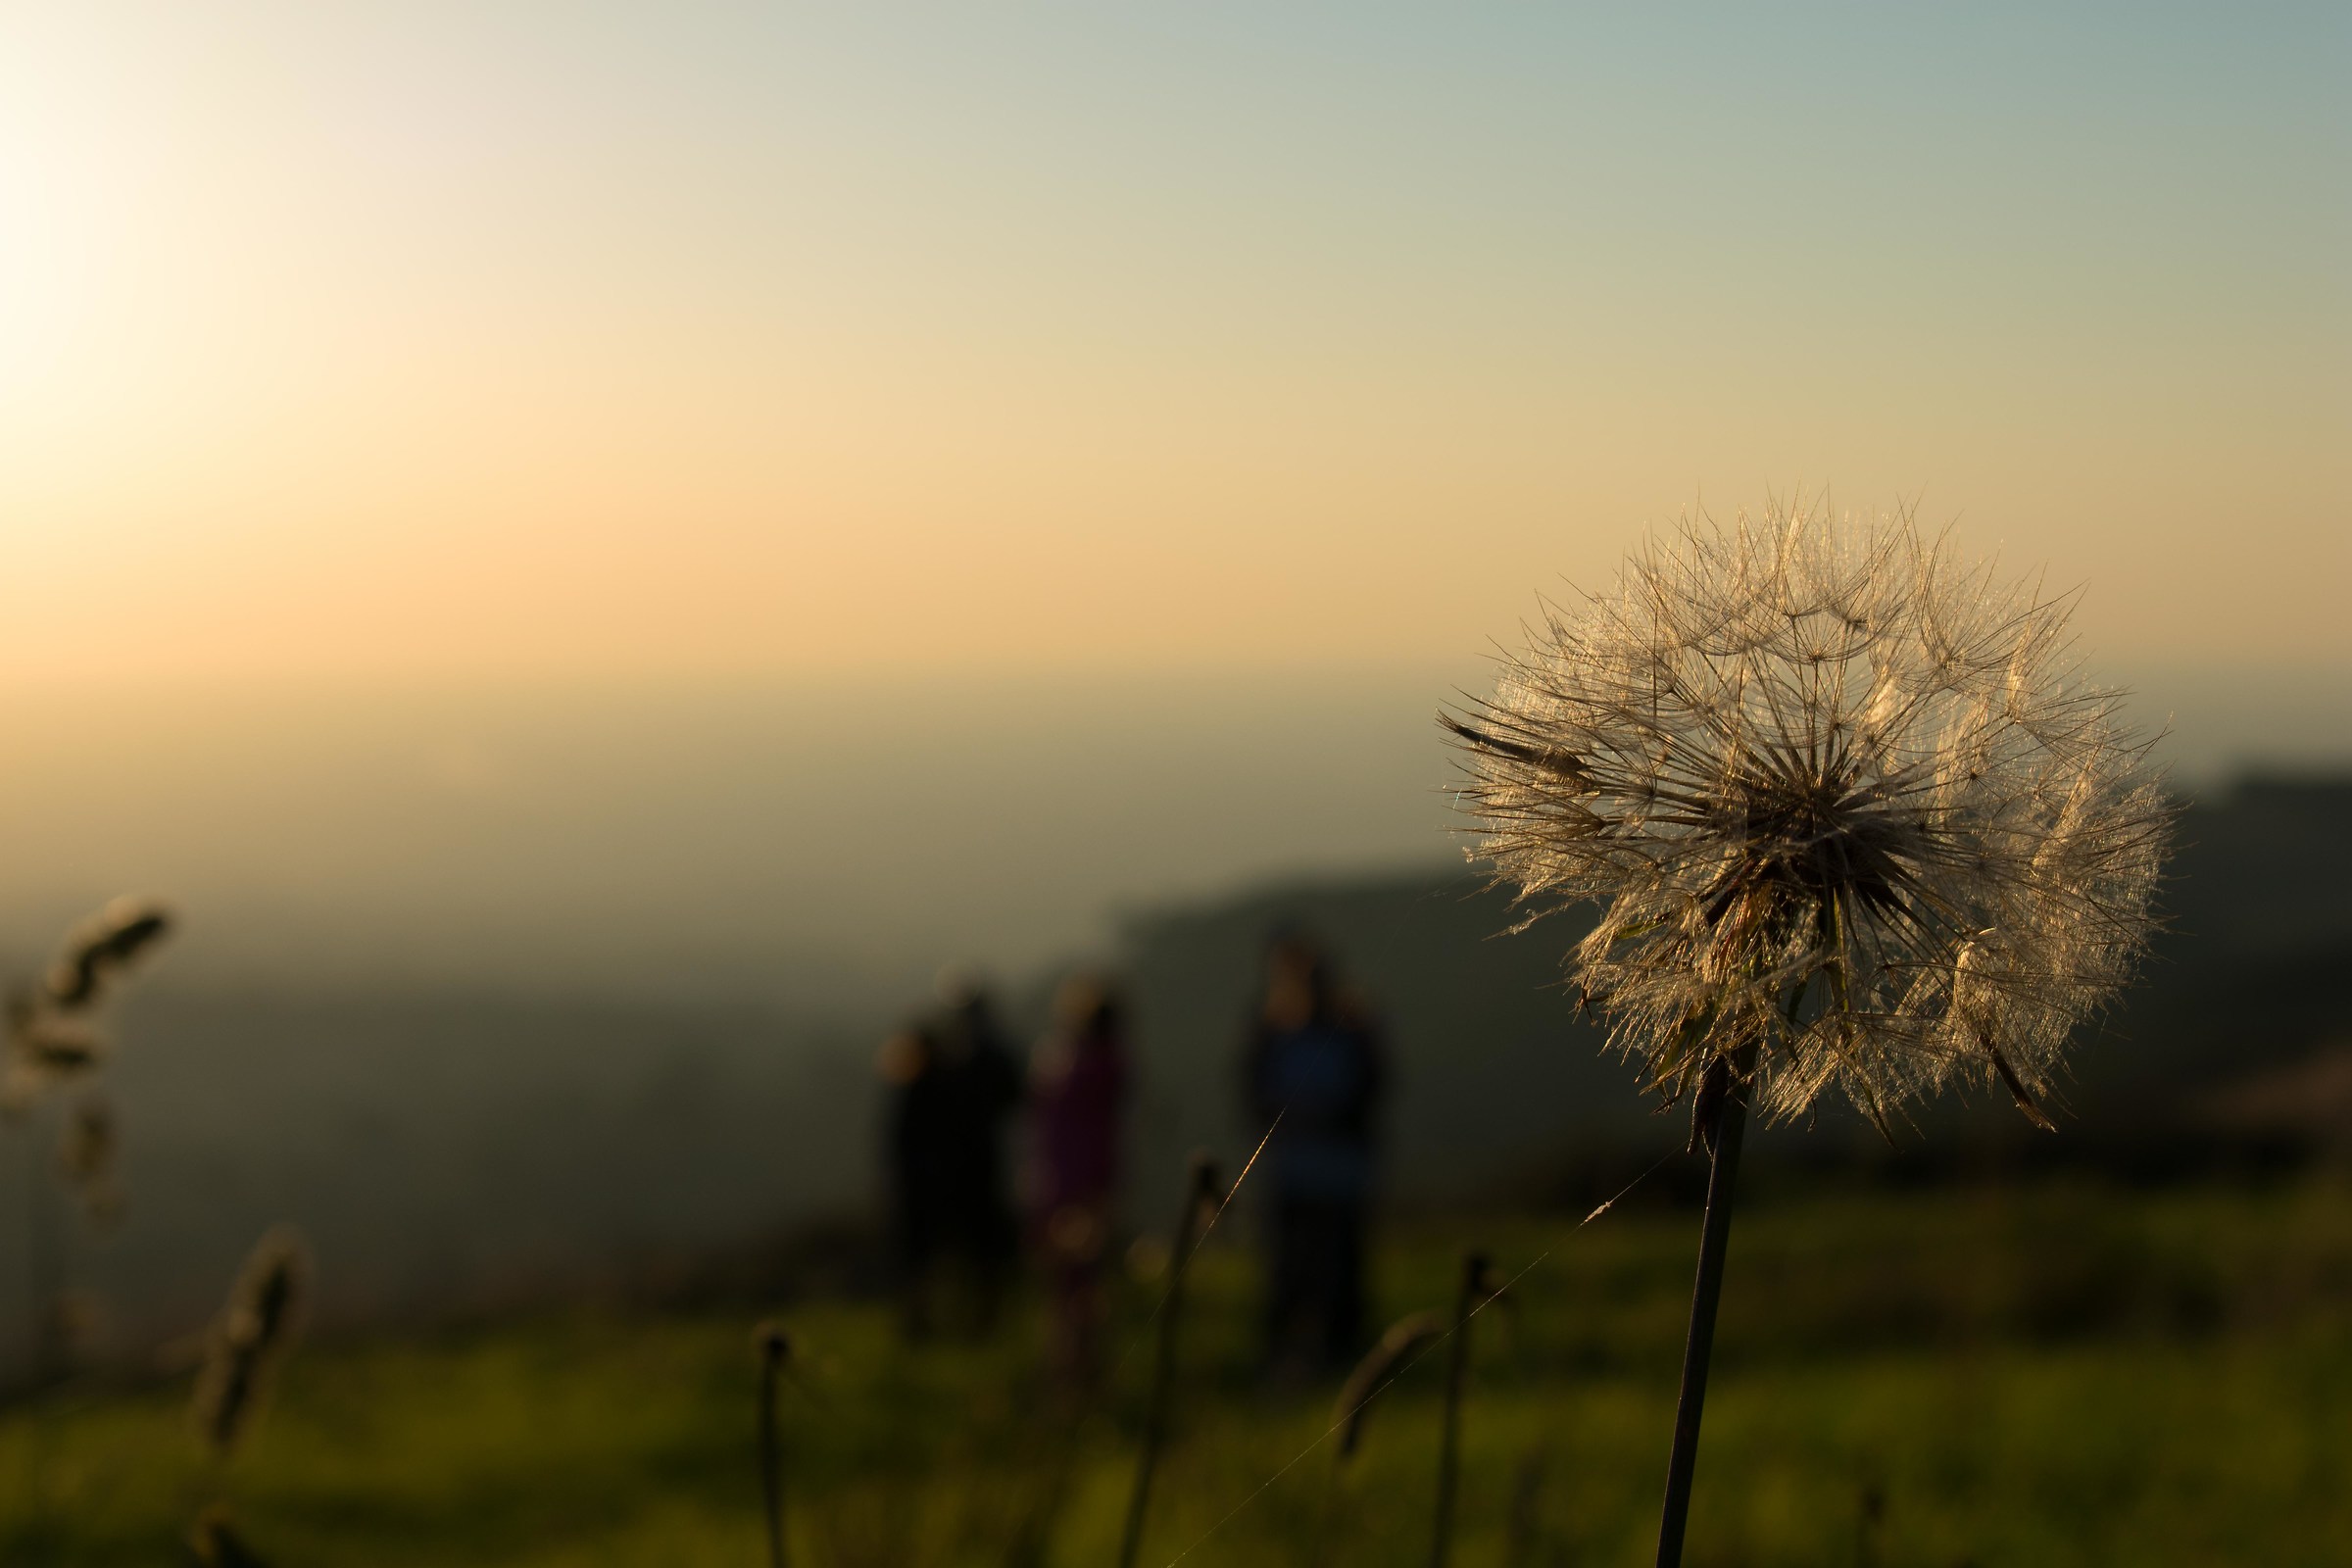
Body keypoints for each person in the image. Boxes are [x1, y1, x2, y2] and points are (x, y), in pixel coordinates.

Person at [1241, 931, 1386, 1378]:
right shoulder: (1270, 1032)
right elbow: (1252, 1096)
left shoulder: (1353, 1031)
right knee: (1290, 1269)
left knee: (1338, 1267)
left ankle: (1341, 1357)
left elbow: (1372, 1090)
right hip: (1294, 1173)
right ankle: (1287, 1355)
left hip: (1336, 1172)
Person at [1026, 973, 1131, 1391]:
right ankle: (1080, 1369)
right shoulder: (1110, 1066)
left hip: (1067, 1186)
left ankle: (1073, 1370)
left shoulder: (1077, 1066)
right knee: (1082, 1281)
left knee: (1070, 1284)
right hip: (1087, 1185)